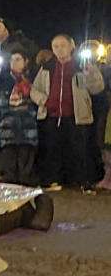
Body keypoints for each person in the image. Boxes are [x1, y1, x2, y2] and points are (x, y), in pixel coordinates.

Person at [32, 34, 106, 189]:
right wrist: (44, 101)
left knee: (78, 150)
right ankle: (54, 179)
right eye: (56, 46)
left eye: (63, 45)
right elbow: (34, 89)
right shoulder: (47, 67)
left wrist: (90, 72)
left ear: (72, 47)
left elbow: (97, 88)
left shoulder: (82, 65)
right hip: (51, 115)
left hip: (77, 115)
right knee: (53, 149)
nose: (59, 49)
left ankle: (80, 180)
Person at [0, 46, 38, 184]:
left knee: (25, 155)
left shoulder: (32, 77)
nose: (14, 62)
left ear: (26, 61)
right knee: (8, 155)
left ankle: (25, 180)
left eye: (18, 59)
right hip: (6, 125)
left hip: (27, 125)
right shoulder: (1, 77)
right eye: (11, 60)